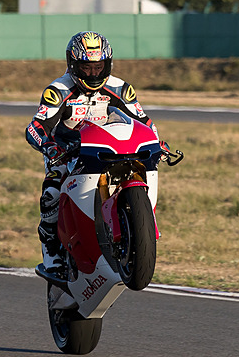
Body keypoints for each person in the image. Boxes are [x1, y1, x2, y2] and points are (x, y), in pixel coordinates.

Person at [25, 31, 168, 274]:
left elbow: (144, 121)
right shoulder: (58, 90)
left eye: (99, 67)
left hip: (113, 149)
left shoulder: (121, 88)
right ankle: (51, 251)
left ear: (108, 64)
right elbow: (35, 127)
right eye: (86, 68)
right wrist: (51, 148)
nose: (93, 74)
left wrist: (157, 142)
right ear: (72, 64)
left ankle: (137, 228)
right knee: (50, 192)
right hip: (70, 153)